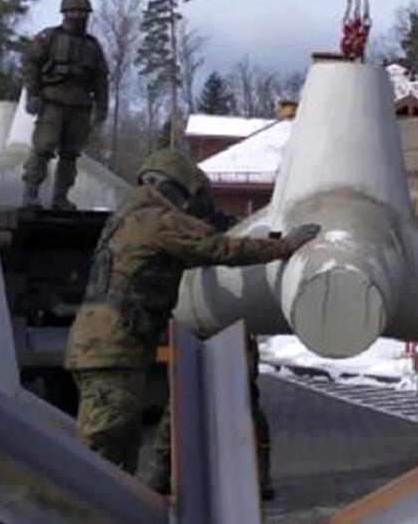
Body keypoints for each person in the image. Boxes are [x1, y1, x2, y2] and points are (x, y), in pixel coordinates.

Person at [63, 146, 320, 497]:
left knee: (112, 441)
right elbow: (223, 249)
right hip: (115, 349)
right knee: (105, 446)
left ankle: (103, 519)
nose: (185, 205)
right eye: (183, 196)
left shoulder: (126, 216)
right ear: (171, 188)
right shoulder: (159, 219)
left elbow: (202, 245)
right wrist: (283, 246)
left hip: (99, 345)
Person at [21, 0, 110, 209]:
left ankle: (60, 197)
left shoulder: (92, 45)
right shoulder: (49, 37)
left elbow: (101, 79)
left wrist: (102, 107)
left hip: (80, 106)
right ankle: (31, 192)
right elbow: (30, 63)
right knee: (43, 147)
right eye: (73, 11)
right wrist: (33, 93)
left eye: (82, 12)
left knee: (70, 155)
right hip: (52, 103)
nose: (78, 16)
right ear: (64, 12)